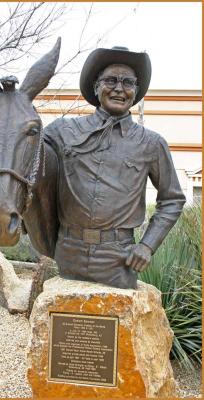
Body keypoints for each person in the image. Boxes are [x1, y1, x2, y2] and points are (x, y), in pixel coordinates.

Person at [44, 46, 186, 289]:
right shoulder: (62, 132)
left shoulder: (151, 143)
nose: (119, 88)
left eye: (128, 82)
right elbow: (29, 160)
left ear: (136, 91)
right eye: (111, 80)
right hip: (68, 251)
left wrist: (147, 245)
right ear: (96, 87)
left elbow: (172, 200)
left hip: (119, 259)